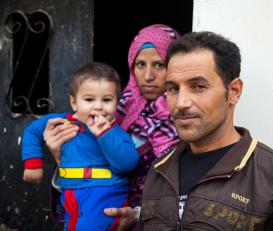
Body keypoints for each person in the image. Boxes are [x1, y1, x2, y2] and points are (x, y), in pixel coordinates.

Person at [137, 31, 273, 230]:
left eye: (198, 86)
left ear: (233, 92)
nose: (181, 103)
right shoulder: (159, 171)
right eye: (173, 88)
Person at [43, 25, 181, 230]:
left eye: (159, 65)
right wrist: (58, 155)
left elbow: (191, 190)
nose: (148, 75)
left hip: (156, 219)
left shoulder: (184, 115)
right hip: (95, 207)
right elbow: (83, 165)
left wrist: (139, 214)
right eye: (140, 64)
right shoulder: (111, 106)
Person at [21, 62, 140, 230]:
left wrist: (104, 134)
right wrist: (33, 164)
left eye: (107, 100)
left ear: (116, 103)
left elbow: (128, 163)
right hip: (71, 193)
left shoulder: (115, 133)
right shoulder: (60, 122)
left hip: (104, 193)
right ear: (74, 102)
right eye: (89, 99)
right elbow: (32, 131)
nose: (98, 106)